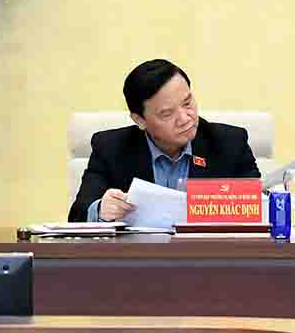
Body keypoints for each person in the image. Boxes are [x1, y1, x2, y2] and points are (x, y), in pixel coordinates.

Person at [68, 59, 261, 222]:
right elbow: (78, 215)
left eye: (187, 103)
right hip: (138, 262)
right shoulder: (111, 148)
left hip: (209, 259)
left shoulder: (230, 143)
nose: (186, 118)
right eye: (167, 114)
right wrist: (101, 210)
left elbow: (260, 207)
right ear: (140, 120)